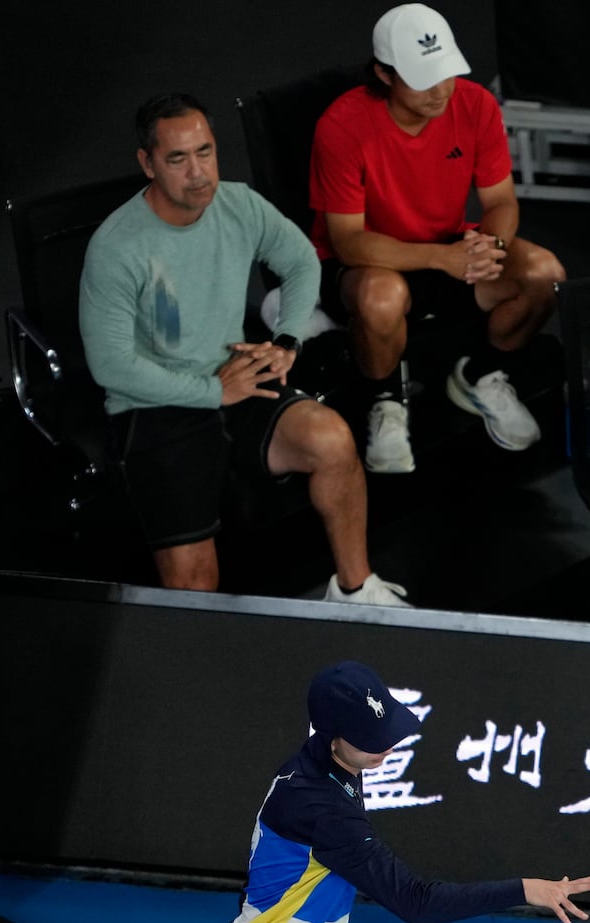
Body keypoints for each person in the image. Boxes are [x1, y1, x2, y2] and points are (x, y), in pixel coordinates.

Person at [80, 93, 409, 606]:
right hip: (157, 405)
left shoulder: (239, 204)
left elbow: (302, 262)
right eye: (177, 158)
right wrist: (212, 390)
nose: (198, 173)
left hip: (235, 378)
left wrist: (286, 340)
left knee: (333, 441)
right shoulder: (116, 247)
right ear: (147, 164)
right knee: (194, 585)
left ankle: (354, 589)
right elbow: (111, 366)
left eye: (205, 152)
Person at [197, 660, 590, 923]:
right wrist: (525, 890)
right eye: (369, 738)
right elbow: (415, 902)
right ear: (333, 735)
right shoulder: (319, 806)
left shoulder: (334, 761)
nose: (386, 746)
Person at [309, 3, 566, 473]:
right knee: (382, 297)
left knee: (545, 274)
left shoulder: (474, 104)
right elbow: (347, 240)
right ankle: (384, 402)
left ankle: (479, 375)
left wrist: (493, 248)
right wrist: (442, 258)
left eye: (446, 73)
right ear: (384, 74)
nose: (441, 90)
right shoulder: (341, 126)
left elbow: (501, 202)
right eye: (423, 79)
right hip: (370, 262)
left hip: (450, 246)